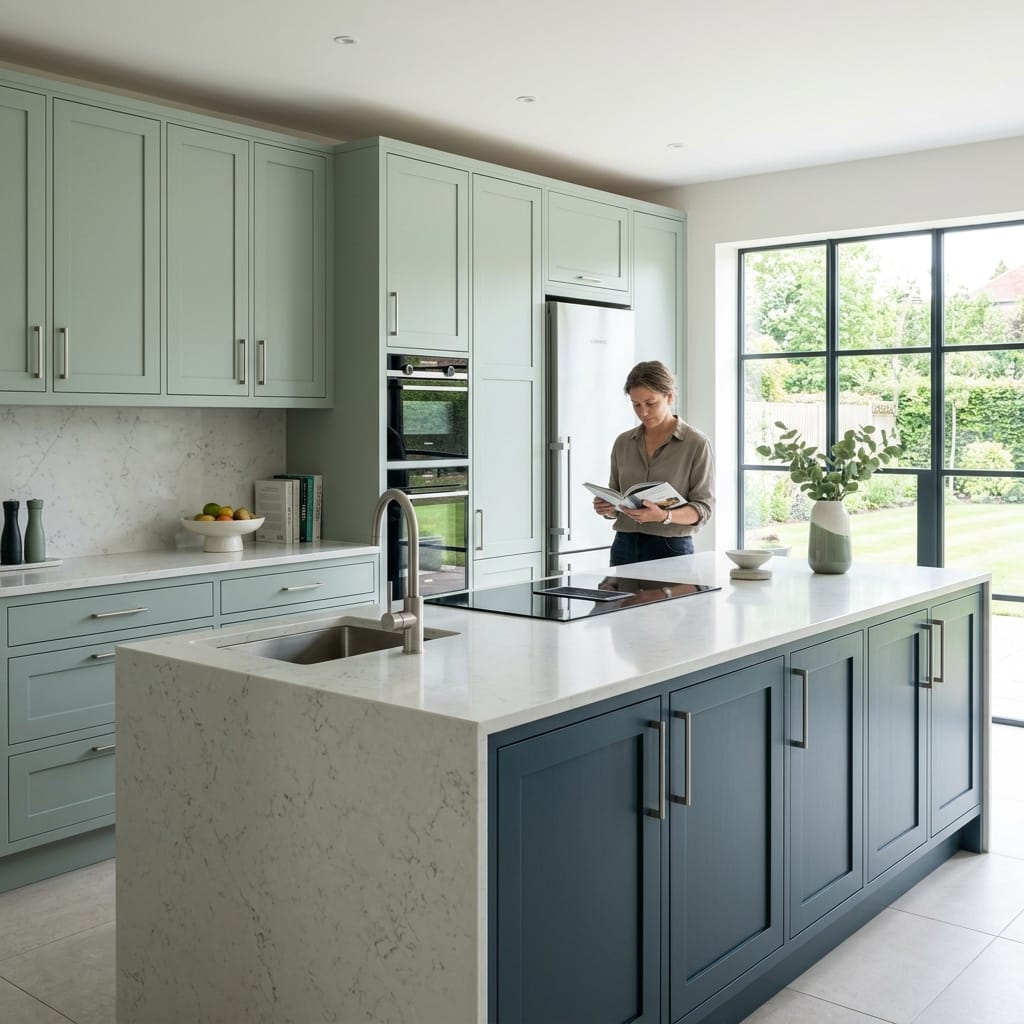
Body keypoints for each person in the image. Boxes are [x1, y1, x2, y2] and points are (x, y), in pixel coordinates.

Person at [592, 360, 715, 566]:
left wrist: (664, 515)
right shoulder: (623, 442)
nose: (643, 413)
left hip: (671, 547)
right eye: (636, 405)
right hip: (624, 544)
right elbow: (617, 496)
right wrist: (608, 507)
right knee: (619, 600)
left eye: (651, 403)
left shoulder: (696, 443)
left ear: (669, 397)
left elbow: (703, 509)